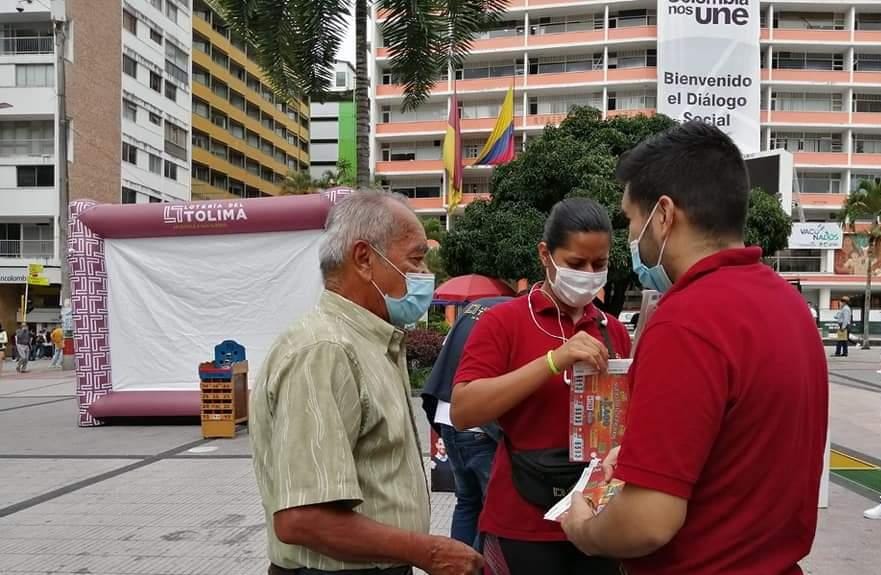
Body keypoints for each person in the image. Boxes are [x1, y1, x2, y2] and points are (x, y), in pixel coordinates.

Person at [560, 121, 828, 575]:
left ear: (663, 215)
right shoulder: (788, 303)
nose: (632, 238)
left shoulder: (687, 320)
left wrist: (584, 528)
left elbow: (648, 523)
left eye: (631, 219)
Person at [250, 191, 483, 575]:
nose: (425, 275)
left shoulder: (370, 342)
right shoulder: (325, 351)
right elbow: (303, 518)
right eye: (416, 258)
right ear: (364, 259)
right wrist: (427, 551)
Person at [451, 197, 631, 575]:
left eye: (599, 264)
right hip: (524, 522)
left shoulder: (611, 329)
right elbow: (464, 410)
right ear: (545, 254)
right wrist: (553, 361)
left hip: (597, 516)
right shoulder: (504, 322)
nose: (588, 273)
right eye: (576, 263)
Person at [421, 297, 511, 549]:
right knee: (493, 507)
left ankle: (458, 563)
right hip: (478, 426)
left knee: (467, 501)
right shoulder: (510, 316)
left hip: (446, 418)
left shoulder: (473, 311)